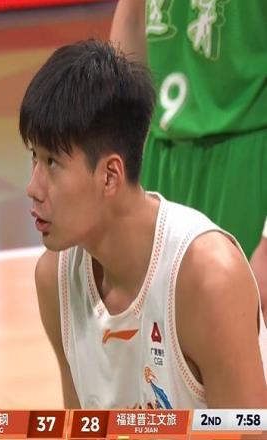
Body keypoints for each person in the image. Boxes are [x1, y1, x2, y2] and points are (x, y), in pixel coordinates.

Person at [19, 39, 267, 409]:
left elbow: (247, 431)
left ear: (110, 175)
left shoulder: (209, 278)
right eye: (34, 157)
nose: (33, 188)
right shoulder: (54, 280)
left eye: (52, 162)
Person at [110, 0, 267, 324]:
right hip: (159, 153)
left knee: (244, 335)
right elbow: (133, 17)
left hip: (247, 157)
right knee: (157, 338)